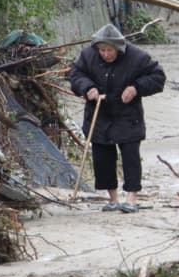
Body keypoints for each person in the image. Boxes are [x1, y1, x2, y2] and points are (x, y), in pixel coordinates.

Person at [69, 23, 166, 213]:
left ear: (118, 48)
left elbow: (158, 77)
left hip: (127, 115)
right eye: (102, 50)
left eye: (109, 50)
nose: (105, 54)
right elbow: (75, 75)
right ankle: (113, 198)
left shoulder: (137, 57)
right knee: (102, 157)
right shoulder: (88, 55)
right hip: (99, 114)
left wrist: (136, 87)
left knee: (130, 156)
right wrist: (87, 88)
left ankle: (131, 198)